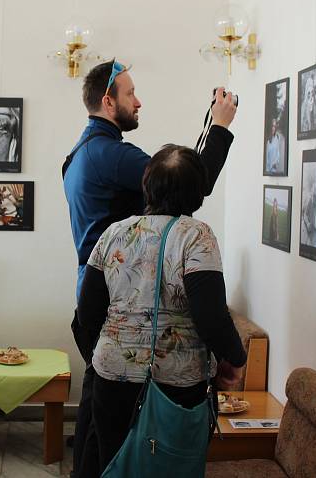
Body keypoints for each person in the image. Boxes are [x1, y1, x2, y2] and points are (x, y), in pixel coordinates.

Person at [62, 59, 238, 478]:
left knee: (99, 448)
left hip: (104, 324)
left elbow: (176, 183)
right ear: (108, 101)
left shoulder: (79, 154)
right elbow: (190, 184)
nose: (139, 102)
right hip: (145, 355)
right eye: (130, 94)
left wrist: (103, 355)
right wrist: (221, 128)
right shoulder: (112, 155)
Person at [77, 144, 247, 475]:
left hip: (110, 378)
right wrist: (236, 358)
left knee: (115, 464)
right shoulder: (197, 236)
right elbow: (211, 316)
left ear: (147, 185)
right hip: (174, 385)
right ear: (197, 193)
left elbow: (86, 312)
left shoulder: (113, 233)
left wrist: (111, 347)